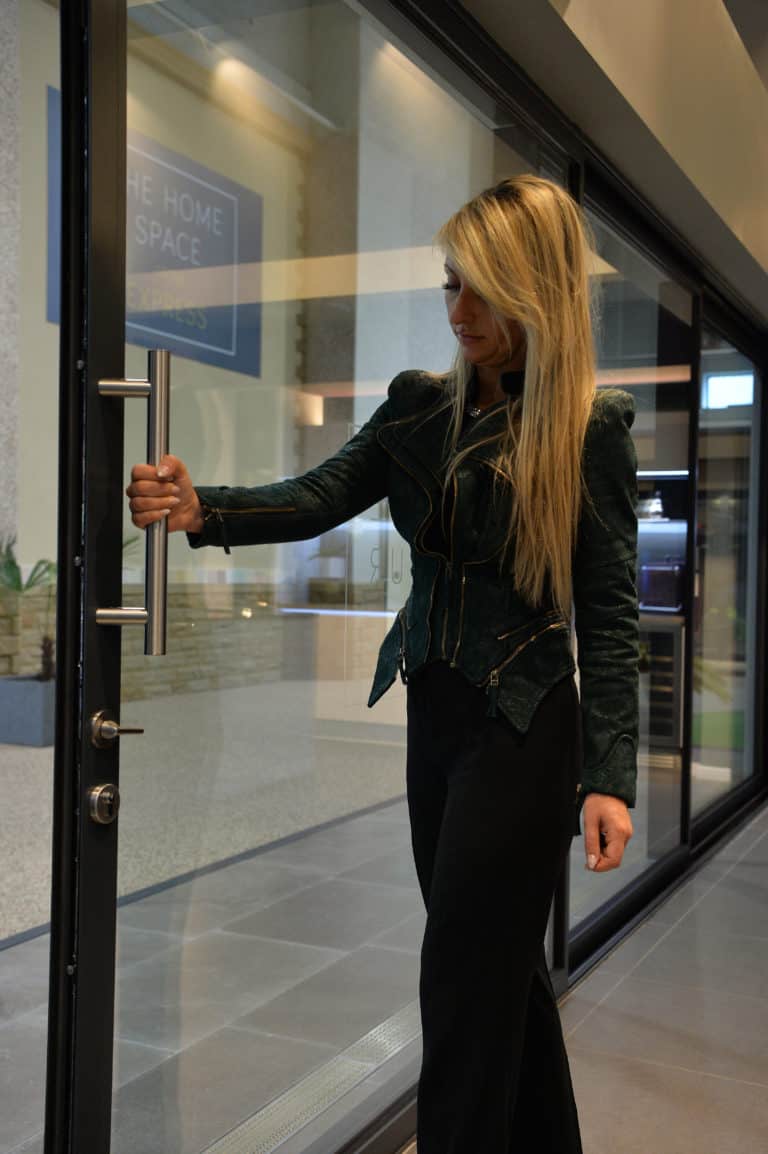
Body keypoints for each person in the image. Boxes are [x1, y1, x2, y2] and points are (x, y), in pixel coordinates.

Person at [127, 173, 638, 1154]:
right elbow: (319, 491)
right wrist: (206, 511)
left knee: (459, 975)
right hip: (437, 715)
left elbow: (610, 613)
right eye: (451, 285)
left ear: (537, 286)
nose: (463, 312)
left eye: (484, 288)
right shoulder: (419, 409)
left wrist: (610, 775)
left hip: (526, 729)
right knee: (500, 972)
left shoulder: (585, 428)